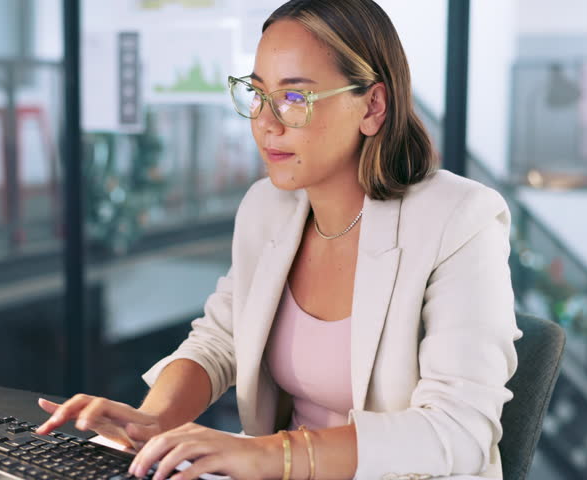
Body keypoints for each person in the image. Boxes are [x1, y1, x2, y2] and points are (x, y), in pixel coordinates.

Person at [35, 1, 520, 479]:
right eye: (258, 93)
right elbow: (220, 341)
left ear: (373, 106)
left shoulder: (460, 219)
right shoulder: (267, 208)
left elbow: (458, 430)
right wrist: (154, 420)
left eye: (294, 98)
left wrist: (272, 455)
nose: (265, 122)